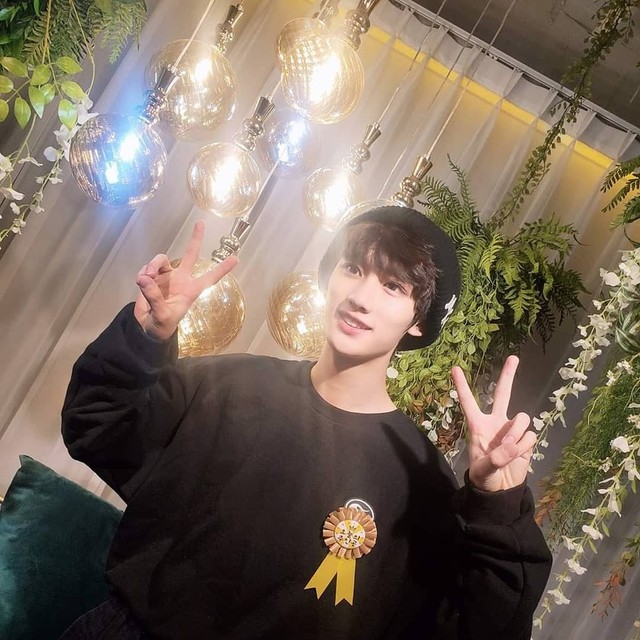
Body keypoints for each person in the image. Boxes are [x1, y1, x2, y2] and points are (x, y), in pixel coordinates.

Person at [60, 206, 552, 640]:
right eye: (353, 268)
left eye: (393, 286)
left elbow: (479, 628)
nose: (361, 296)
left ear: (418, 321)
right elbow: (98, 428)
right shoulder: (229, 383)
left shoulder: (419, 481)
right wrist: (145, 338)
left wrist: (497, 504)